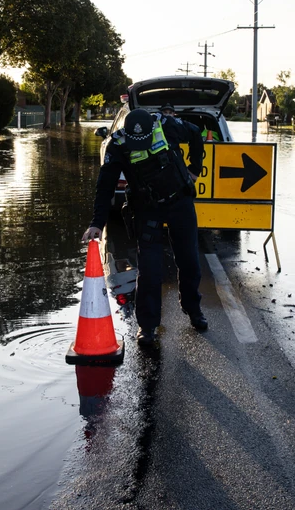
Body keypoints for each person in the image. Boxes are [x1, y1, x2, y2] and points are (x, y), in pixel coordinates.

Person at [82, 108, 207, 346]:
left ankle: (193, 310)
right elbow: (105, 185)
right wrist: (97, 223)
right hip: (146, 208)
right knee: (149, 271)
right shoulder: (117, 144)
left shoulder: (167, 125)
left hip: (179, 201)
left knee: (189, 261)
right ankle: (148, 326)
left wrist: (195, 169)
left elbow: (195, 134)